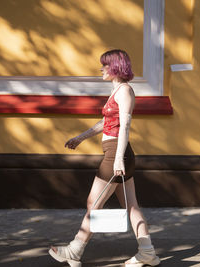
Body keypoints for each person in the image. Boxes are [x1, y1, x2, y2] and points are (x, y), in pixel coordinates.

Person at [48, 49, 160, 267]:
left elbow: (125, 125)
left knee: (94, 201)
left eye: (105, 65)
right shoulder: (116, 90)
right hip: (116, 152)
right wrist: (80, 137)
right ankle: (147, 252)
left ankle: (74, 250)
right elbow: (104, 123)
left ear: (116, 67)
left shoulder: (125, 91)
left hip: (117, 153)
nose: (101, 68)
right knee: (132, 207)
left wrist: (118, 158)